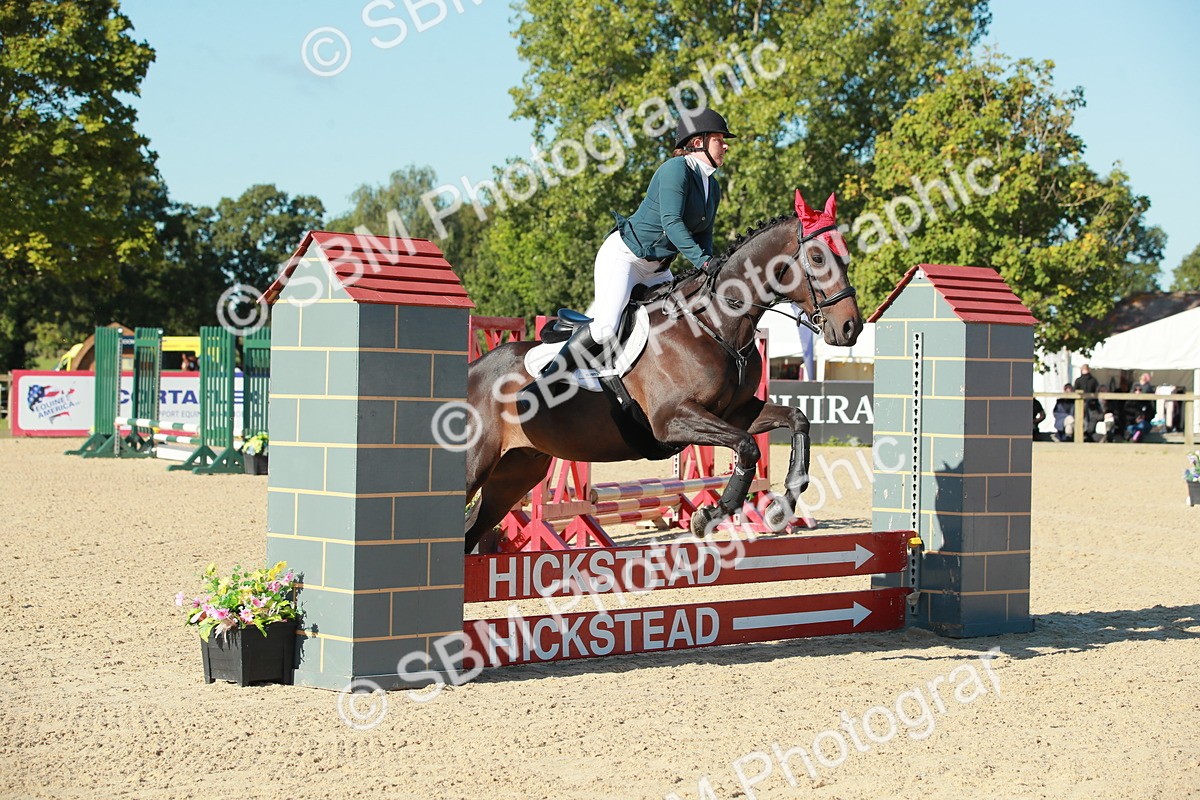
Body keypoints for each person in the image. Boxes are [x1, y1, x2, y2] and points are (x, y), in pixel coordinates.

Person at [536, 108, 735, 376]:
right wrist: (704, 261)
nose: (725, 145)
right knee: (606, 327)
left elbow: (704, 234)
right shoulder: (676, 170)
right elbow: (672, 223)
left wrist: (709, 268)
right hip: (626, 257)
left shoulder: (713, 186)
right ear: (698, 142)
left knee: (674, 322)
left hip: (658, 269)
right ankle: (549, 379)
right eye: (719, 139)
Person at [1073, 364, 1102, 441]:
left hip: (1092, 404)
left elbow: (1096, 391)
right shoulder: (1079, 380)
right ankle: (1084, 435)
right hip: (1082, 404)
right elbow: (1076, 392)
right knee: (1083, 420)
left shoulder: (1093, 380)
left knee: (1090, 421)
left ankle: (1089, 435)